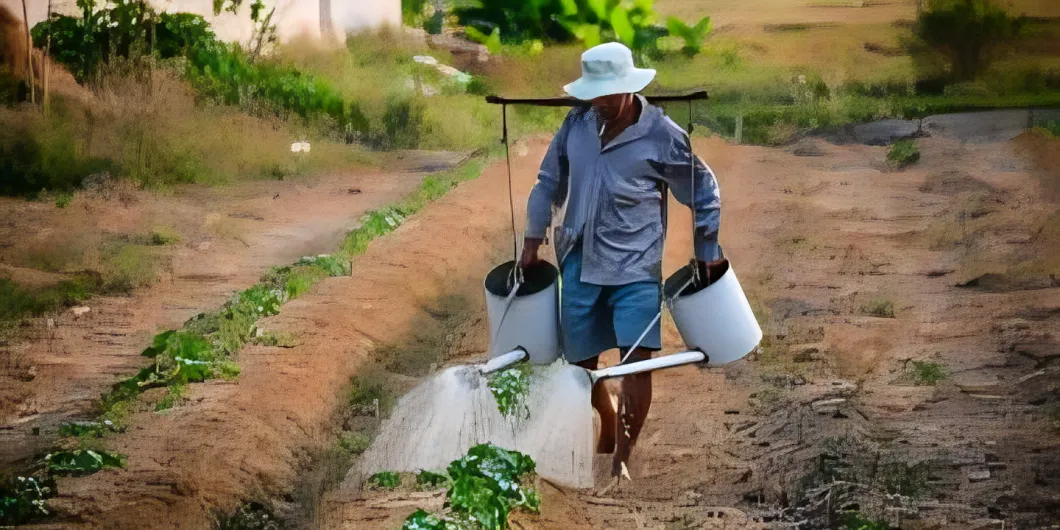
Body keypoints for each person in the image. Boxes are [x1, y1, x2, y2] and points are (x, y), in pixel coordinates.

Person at [520, 42, 722, 480]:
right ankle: (606, 417)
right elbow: (547, 182)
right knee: (580, 367)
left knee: (638, 362)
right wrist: (532, 240)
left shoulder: (661, 134)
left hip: (636, 268)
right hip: (579, 259)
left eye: (608, 94)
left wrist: (707, 248)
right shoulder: (575, 126)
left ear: (630, 89)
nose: (600, 102)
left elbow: (703, 189)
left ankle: (621, 460)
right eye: (594, 93)